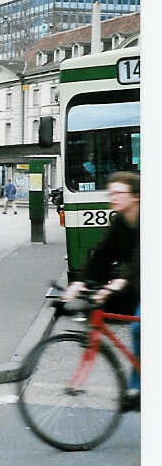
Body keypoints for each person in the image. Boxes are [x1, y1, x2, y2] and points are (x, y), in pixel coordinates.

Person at [62, 171, 140, 410]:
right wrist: (80, 282)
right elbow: (102, 254)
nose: (113, 198)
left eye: (119, 193)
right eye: (111, 193)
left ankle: (138, 388)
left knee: (140, 328)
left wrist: (119, 282)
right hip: (138, 280)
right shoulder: (120, 221)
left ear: (136, 196)